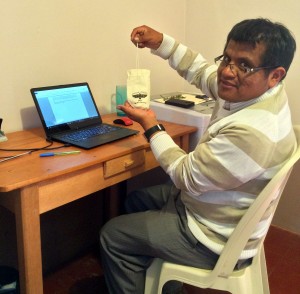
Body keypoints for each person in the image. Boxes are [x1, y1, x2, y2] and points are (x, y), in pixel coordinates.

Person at [100, 18, 297, 294]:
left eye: (244, 65)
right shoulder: (257, 91)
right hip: (213, 207)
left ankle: (146, 271)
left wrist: (151, 126)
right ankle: (155, 281)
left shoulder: (252, 131)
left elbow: (185, 177)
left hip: (211, 237)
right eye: (226, 58)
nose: (228, 71)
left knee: (113, 235)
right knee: (135, 199)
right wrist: (161, 43)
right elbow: (201, 71)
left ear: (275, 74)